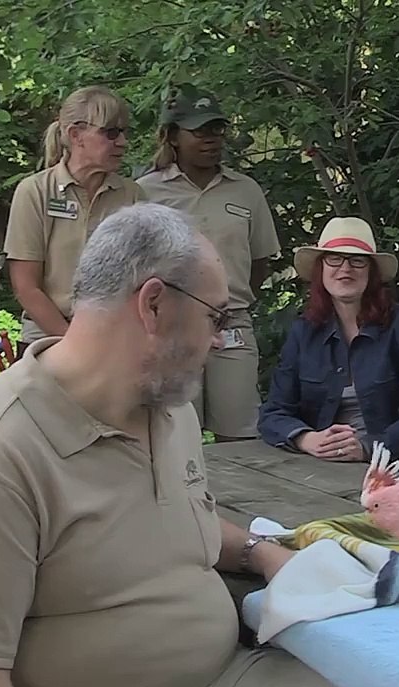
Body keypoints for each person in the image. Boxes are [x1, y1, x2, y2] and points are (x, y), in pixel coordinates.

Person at [0, 203, 378, 687]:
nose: (217, 340)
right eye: (215, 317)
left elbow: (167, 521)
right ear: (153, 305)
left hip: (225, 681)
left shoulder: (168, 410)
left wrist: (260, 552)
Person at [138, 85, 281, 442]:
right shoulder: (145, 192)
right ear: (172, 136)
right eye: (199, 131)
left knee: (242, 436)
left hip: (231, 324)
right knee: (171, 433)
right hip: (169, 327)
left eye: (217, 129)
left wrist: (225, 303)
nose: (211, 139)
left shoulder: (245, 190)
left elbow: (259, 261)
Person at [258, 217, 399, 477]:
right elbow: (273, 412)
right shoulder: (304, 331)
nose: (345, 268)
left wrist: (367, 448)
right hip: (315, 469)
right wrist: (307, 439)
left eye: (357, 260)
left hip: (396, 469)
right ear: (321, 270)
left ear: (371, 272)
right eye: (334, 259)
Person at [4, 85, 144, 353]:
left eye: (125, 132)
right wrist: (74, 343)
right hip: (46, 338)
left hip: (114, 339)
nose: (123, 142)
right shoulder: (35, 191)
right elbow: (25, 286)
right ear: (75, 134)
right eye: (111, 132)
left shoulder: (133, 195)